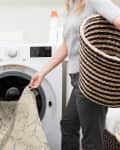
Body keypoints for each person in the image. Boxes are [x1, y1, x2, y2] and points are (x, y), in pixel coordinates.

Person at [29, 0, 120, 149]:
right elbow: (66, 45)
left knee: (92, 140)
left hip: (92, 78)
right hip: (78, 79)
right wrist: (42, 72)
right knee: (68, 126)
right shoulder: (71, 6)